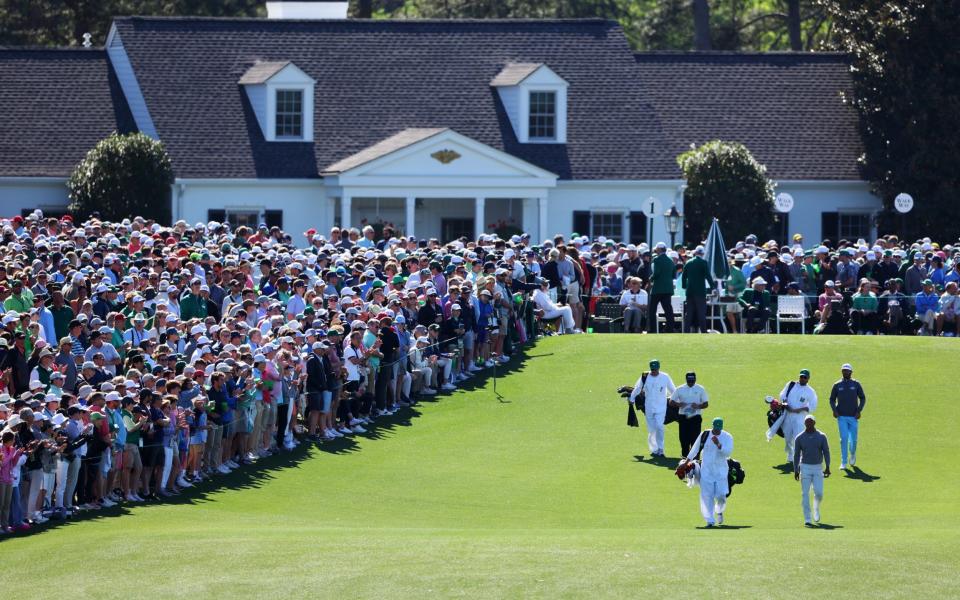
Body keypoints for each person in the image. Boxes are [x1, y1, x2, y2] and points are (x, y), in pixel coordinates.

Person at [686, 417, 733, 527]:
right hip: (706, 470)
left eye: (719, 429)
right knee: (706, 496)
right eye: (715, 428)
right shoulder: (705, 435)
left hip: (721, 471)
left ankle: (719, 510)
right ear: (713, 426)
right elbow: (695, 449)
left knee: (721, 495)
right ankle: (710, 520)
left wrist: (718, 445)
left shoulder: (727, 437)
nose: (717, 431)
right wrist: (686, 462)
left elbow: (727, 453)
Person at [629, 359, 676, 456]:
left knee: (659, 426)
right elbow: (638, 388)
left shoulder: (665, 377)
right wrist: (632, 398)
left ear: (659, 368)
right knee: (651, 429)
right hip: (649, 407)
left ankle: (661, 449)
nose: (653, 371)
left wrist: (676, 399)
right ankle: (654, 449)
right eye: (652, 369)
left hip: (661, 407)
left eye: (655, 369)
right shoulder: (645, 376)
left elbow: (673, 390)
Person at [793, 415, 831, 527]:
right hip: (805, 467)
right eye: (806, 423)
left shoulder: (821, 436)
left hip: (818, 467)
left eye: (810, 422)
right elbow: (796, 455)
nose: (808, 425)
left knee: (819, 493)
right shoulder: (799, 438)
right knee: (805, 494)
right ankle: (807, 518)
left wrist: (828, 466)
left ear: (814, 423)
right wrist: (796, 469)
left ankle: (816, 508)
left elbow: (826, 452)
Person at [828, 363, 865, 470]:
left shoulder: (856, 384)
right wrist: (834, 410)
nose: (845, 372)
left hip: (853, 417)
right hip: (842, 417)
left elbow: (862, 398)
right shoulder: (837, 385)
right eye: (844, 370)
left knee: (853, 440)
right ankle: (843, 461)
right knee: (843, 438)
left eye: (847, 370)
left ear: (851, 372)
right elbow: (831, 399)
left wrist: (859, 411)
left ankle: (852, 454)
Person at [779, 369, 818, 465]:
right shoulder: (791, 384)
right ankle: (790, 453)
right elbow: (782, 395)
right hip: (788, 415)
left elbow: (813, 405)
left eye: (805, 377)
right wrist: (786, 404)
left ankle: (800, 457)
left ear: (808, 379)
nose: (802, 379)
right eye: (801, 376)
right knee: (787, 436)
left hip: (800, 417)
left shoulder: (810, 391)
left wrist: (800, 409)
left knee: (798, 437)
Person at [671, 371, 709, 457]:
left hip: (695, 417)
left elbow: (706, 404)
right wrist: (678, 404)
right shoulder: (680, 389)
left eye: (692, 381)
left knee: (695, 440)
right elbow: (671, 401)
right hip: (683, 417)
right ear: (686, 380)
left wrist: (698, 406)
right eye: (689, 381)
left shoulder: (700, 389)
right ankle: (684, 459)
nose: (690, 383)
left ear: (695, 379)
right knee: (684, 440)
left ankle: (695, 460)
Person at [680, 246, 715, 333]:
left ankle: (686, 331)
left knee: (689, 314)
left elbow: (684, 277)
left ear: (695, 253)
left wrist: (684, 286)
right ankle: (703, 331)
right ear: (702, 254)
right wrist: (713, 287)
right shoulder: (703, 262)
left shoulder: (688, 263)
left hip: (690, 291)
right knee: (701, 313)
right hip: (700, 292)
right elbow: (708, 276)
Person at [648, 243, 676, 333]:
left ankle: (652, 329)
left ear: (659, 249)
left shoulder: (657, 259)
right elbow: (673, 274)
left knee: (652, 310)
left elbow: (656, 273)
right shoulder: (670, 260)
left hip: (658, 289)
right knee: (668, 310)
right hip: (668, 289)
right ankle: (670, 329)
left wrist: (650, 279)